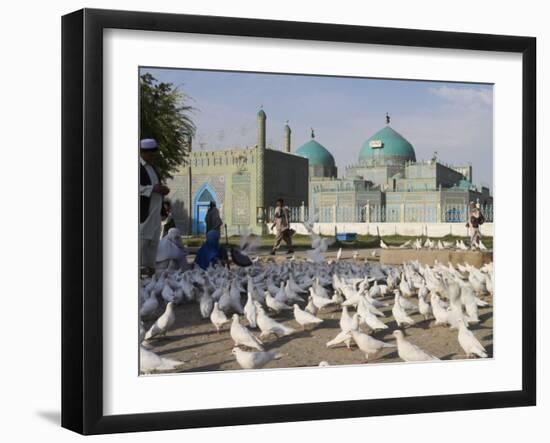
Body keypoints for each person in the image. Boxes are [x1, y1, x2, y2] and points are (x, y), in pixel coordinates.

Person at [139, 138, 170, 276]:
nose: (153, 157)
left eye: (154, 155)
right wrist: (153, 188)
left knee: (153, 243)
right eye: (151, 155)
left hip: (155, 213)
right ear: (143, 152)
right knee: (141, 242)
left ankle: (150, 271)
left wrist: (162, 190)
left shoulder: (153, 168)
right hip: (143, 214)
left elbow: (157, 191)